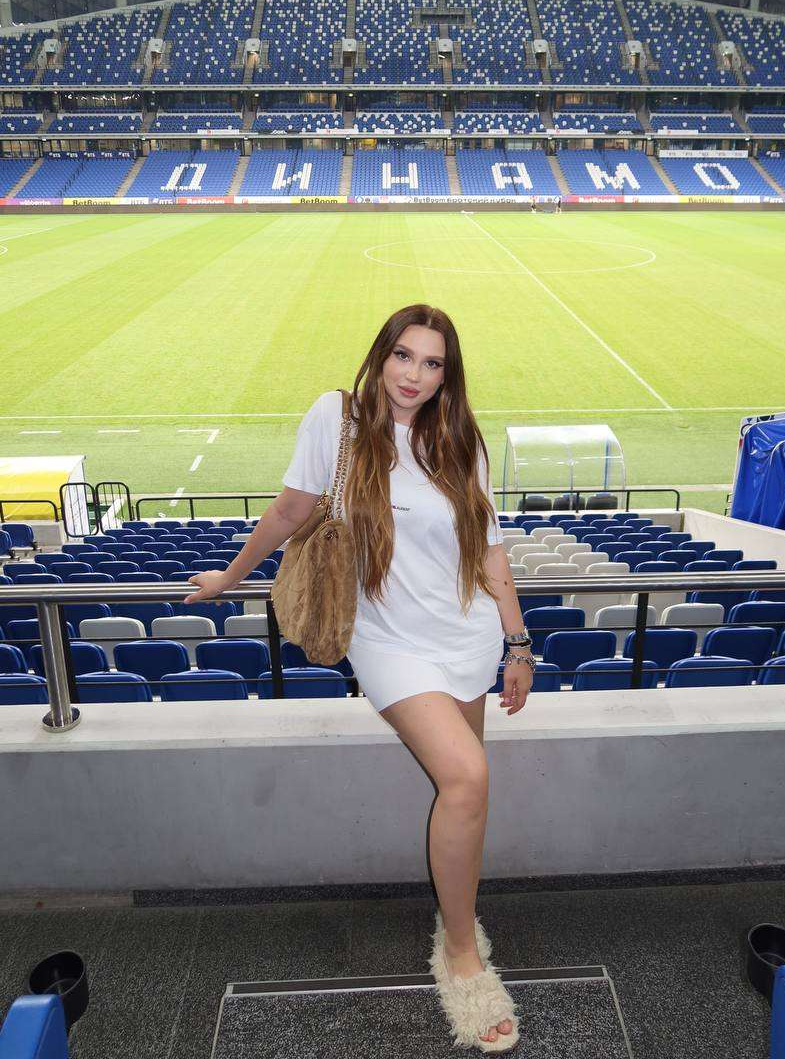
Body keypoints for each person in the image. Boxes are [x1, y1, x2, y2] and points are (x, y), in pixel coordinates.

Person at [185, 303, 534, 1052]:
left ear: (447, 376)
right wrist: (230, 577)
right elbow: (291, 509)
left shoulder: (459, 439)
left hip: (465, 632)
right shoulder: (337, 419)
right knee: (468, 777)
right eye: (404, 356)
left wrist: (516, 643)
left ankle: (459, 915)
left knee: (465, 794)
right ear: (381, 355)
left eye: (432, 363)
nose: (414, 375)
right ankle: (462, 955)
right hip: (387, 640)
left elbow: (487, 547)